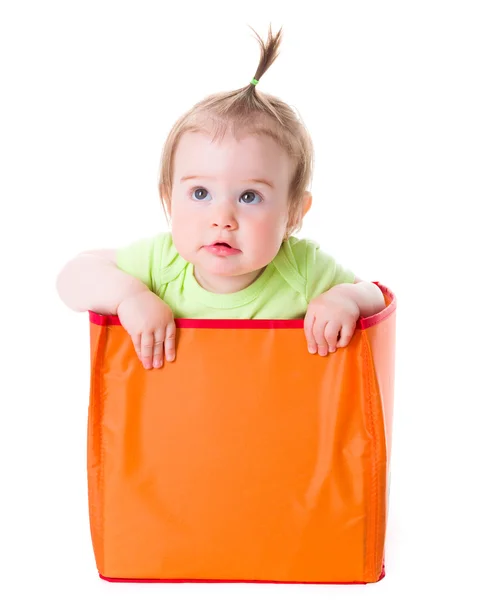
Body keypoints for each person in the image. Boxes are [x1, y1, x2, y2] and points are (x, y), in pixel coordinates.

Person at [56, 25, 385, 371]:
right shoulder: (162, 264)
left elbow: (376, 297)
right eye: (200, 193)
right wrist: (129, 298)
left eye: (249, 196)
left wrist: (345, 299)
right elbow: (72, 276)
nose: (222, 218)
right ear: (169, 200)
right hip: (172, 424)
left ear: (293, 213)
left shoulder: (301, 271)